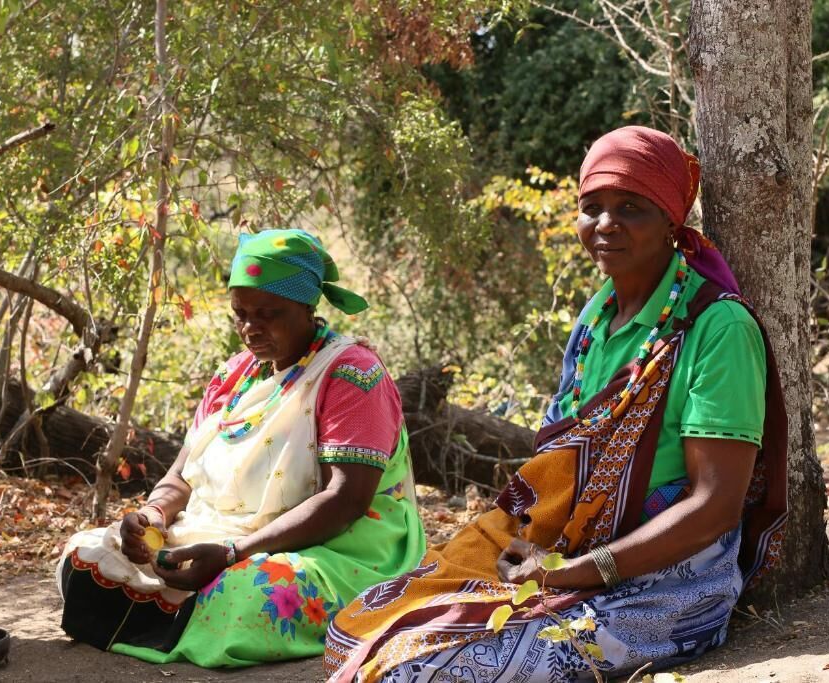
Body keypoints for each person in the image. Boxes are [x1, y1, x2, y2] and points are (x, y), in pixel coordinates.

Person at [323, 126, 788, 682]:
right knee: (357, 627)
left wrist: (579, 571)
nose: (606, 224)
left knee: (414, 670)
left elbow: (716, 506)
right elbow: (561, 464)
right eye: (592, 207)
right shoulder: (595, 320)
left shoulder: (718, 327)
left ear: (671, 220)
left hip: (666, 585)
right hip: (564, 553)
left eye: (631, 207)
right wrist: (546, 558)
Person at [57, 229, 425, 667]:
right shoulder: (234, 375)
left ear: (307, 307)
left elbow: (346, 500)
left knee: (253, 593)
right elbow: (181, 477)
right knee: (85, 556)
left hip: (335, 548)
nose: (250, 328)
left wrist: (235, 553)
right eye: (240, 314)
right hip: (218, 538)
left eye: (268, 314)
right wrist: (153, 516)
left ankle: (195, 610)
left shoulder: (352, 374)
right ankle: (189, 608)